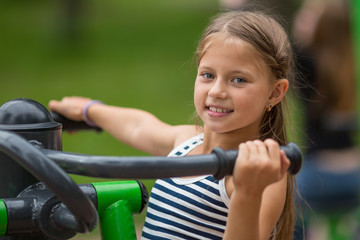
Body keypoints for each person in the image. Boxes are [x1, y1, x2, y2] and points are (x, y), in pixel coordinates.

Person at [49, 10, 297, 240]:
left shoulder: (266, 171)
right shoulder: (187, 141)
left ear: (275, 93)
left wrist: (248, 192)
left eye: (238, 80)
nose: (217, 91)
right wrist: (90, 110)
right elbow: (138, 126)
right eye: (208, 75)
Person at [292, 0, 360, 238]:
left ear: (323, 27)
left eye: (308, 17)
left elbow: (261, 39)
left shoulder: (307, 64)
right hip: (355, 175)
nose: (300, 20)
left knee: (279, 203)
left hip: (318, 176)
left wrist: (236, 7)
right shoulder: (350, 64)